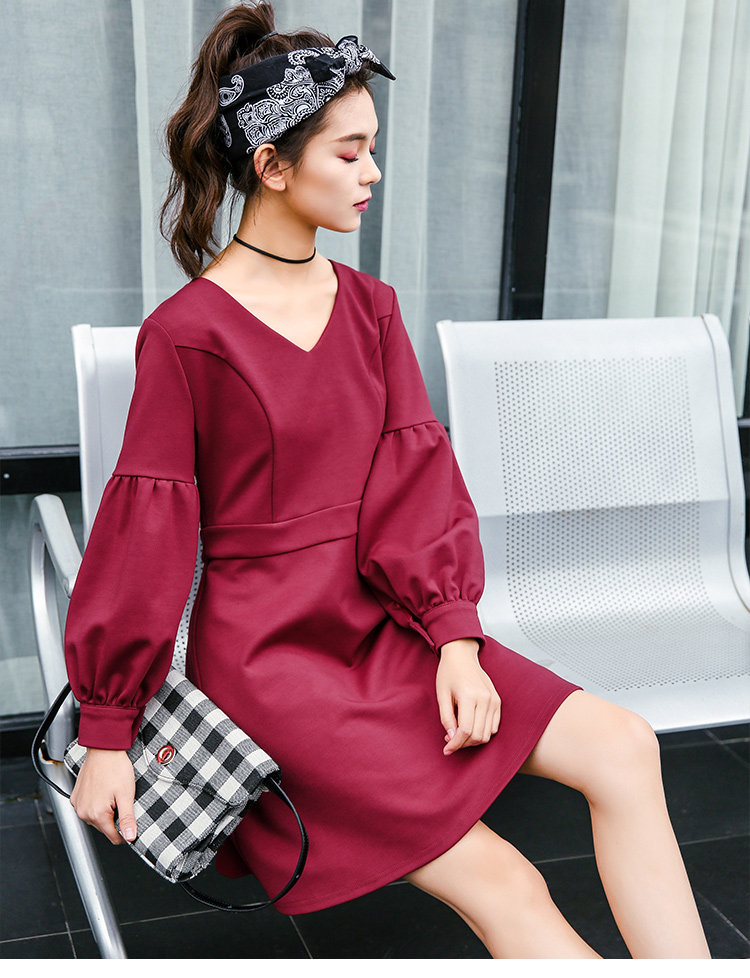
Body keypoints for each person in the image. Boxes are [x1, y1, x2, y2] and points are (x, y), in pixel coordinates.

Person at [64, 1, 710, 959]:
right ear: (272, 165)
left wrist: (456, 639)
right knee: (508, 883)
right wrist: (109, 729)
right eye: (351, 151)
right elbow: (144, 534)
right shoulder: (187, 335)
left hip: (386, 626)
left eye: (373, 148)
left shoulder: (371, 308)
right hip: (274, 667)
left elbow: (415, 484)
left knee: (625, 744)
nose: (373, 173)